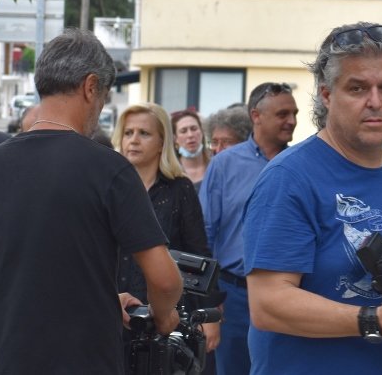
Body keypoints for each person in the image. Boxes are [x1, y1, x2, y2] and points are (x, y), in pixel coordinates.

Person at [242, 23, 382, 374]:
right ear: (326, 95)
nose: (375, 101)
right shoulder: (289, 178)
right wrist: (373, 320)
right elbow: (268, 303)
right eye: (357, 88)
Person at [0, 29, 182, 373]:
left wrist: (103, 300)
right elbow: (164, 279)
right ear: (91, 87)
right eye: (104, 97)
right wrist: (164, 316)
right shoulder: (110, 169)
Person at [199, 81, 299, 375]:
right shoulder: (224, 165)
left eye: (294, 113)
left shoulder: (300, 164)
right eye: (282, 113)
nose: (291, 120)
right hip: (234, 297)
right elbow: (206, 232)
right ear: (256, 116)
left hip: (290, 294)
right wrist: (211, 300)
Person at [114, 102, 220, 366]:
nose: (134, 140)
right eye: (128, 133)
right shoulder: (109, 187)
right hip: (113, 311)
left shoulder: (179, 188)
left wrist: (211, 316)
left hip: (167, 317)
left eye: (144, 133)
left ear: (162, 142)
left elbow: (198, 254)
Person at [172, 108, 212, 186]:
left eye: (194, 129)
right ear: (175, 138)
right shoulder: (170, 173)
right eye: (183, 131)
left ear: (202, 132)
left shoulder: (215, 167)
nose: (190, 135)